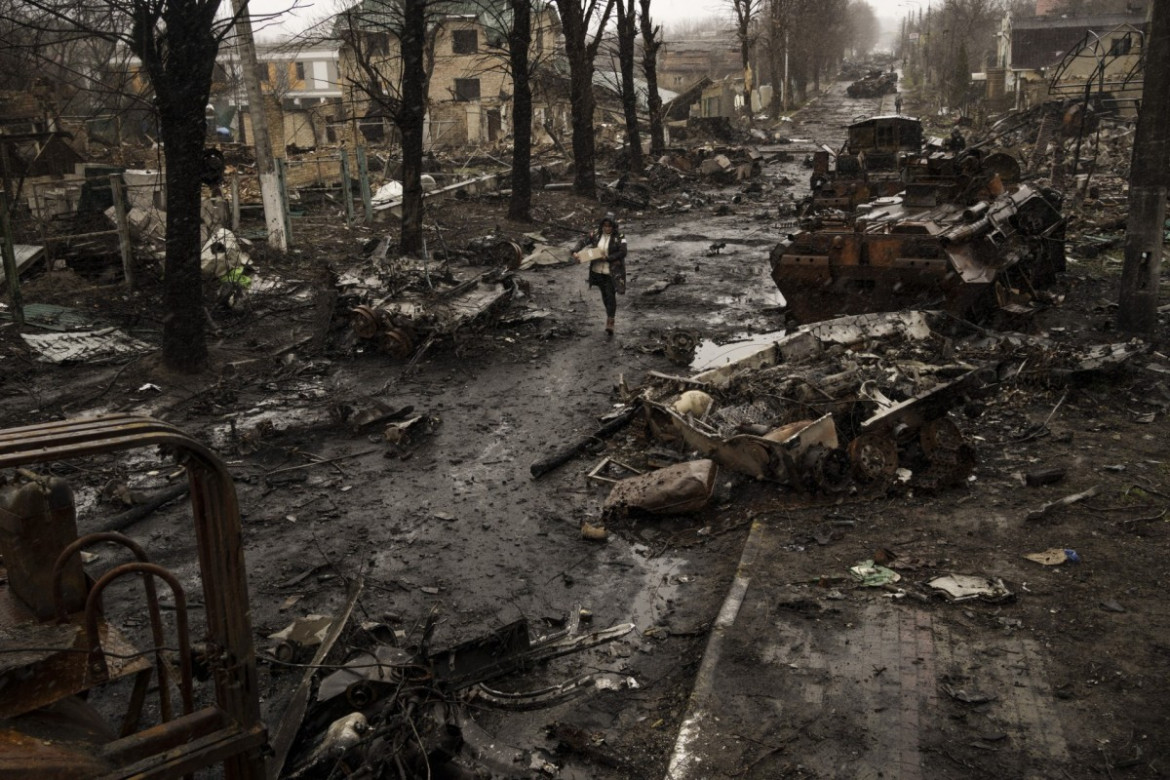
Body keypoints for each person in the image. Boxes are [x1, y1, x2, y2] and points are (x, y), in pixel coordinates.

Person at [572, 213, 627, 340]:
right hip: (597, 270)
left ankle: (610, 321)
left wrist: (607, 258)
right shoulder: (596, 234)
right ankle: (609, 315)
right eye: (605, 226)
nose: (607, 228)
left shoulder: (620, 236)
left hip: (611, 271)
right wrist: (575, 251)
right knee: (604, 294)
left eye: (609, 226)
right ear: (602, 225)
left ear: (614, 226)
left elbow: (623, 252)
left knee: (610, 294)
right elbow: (583, 241)